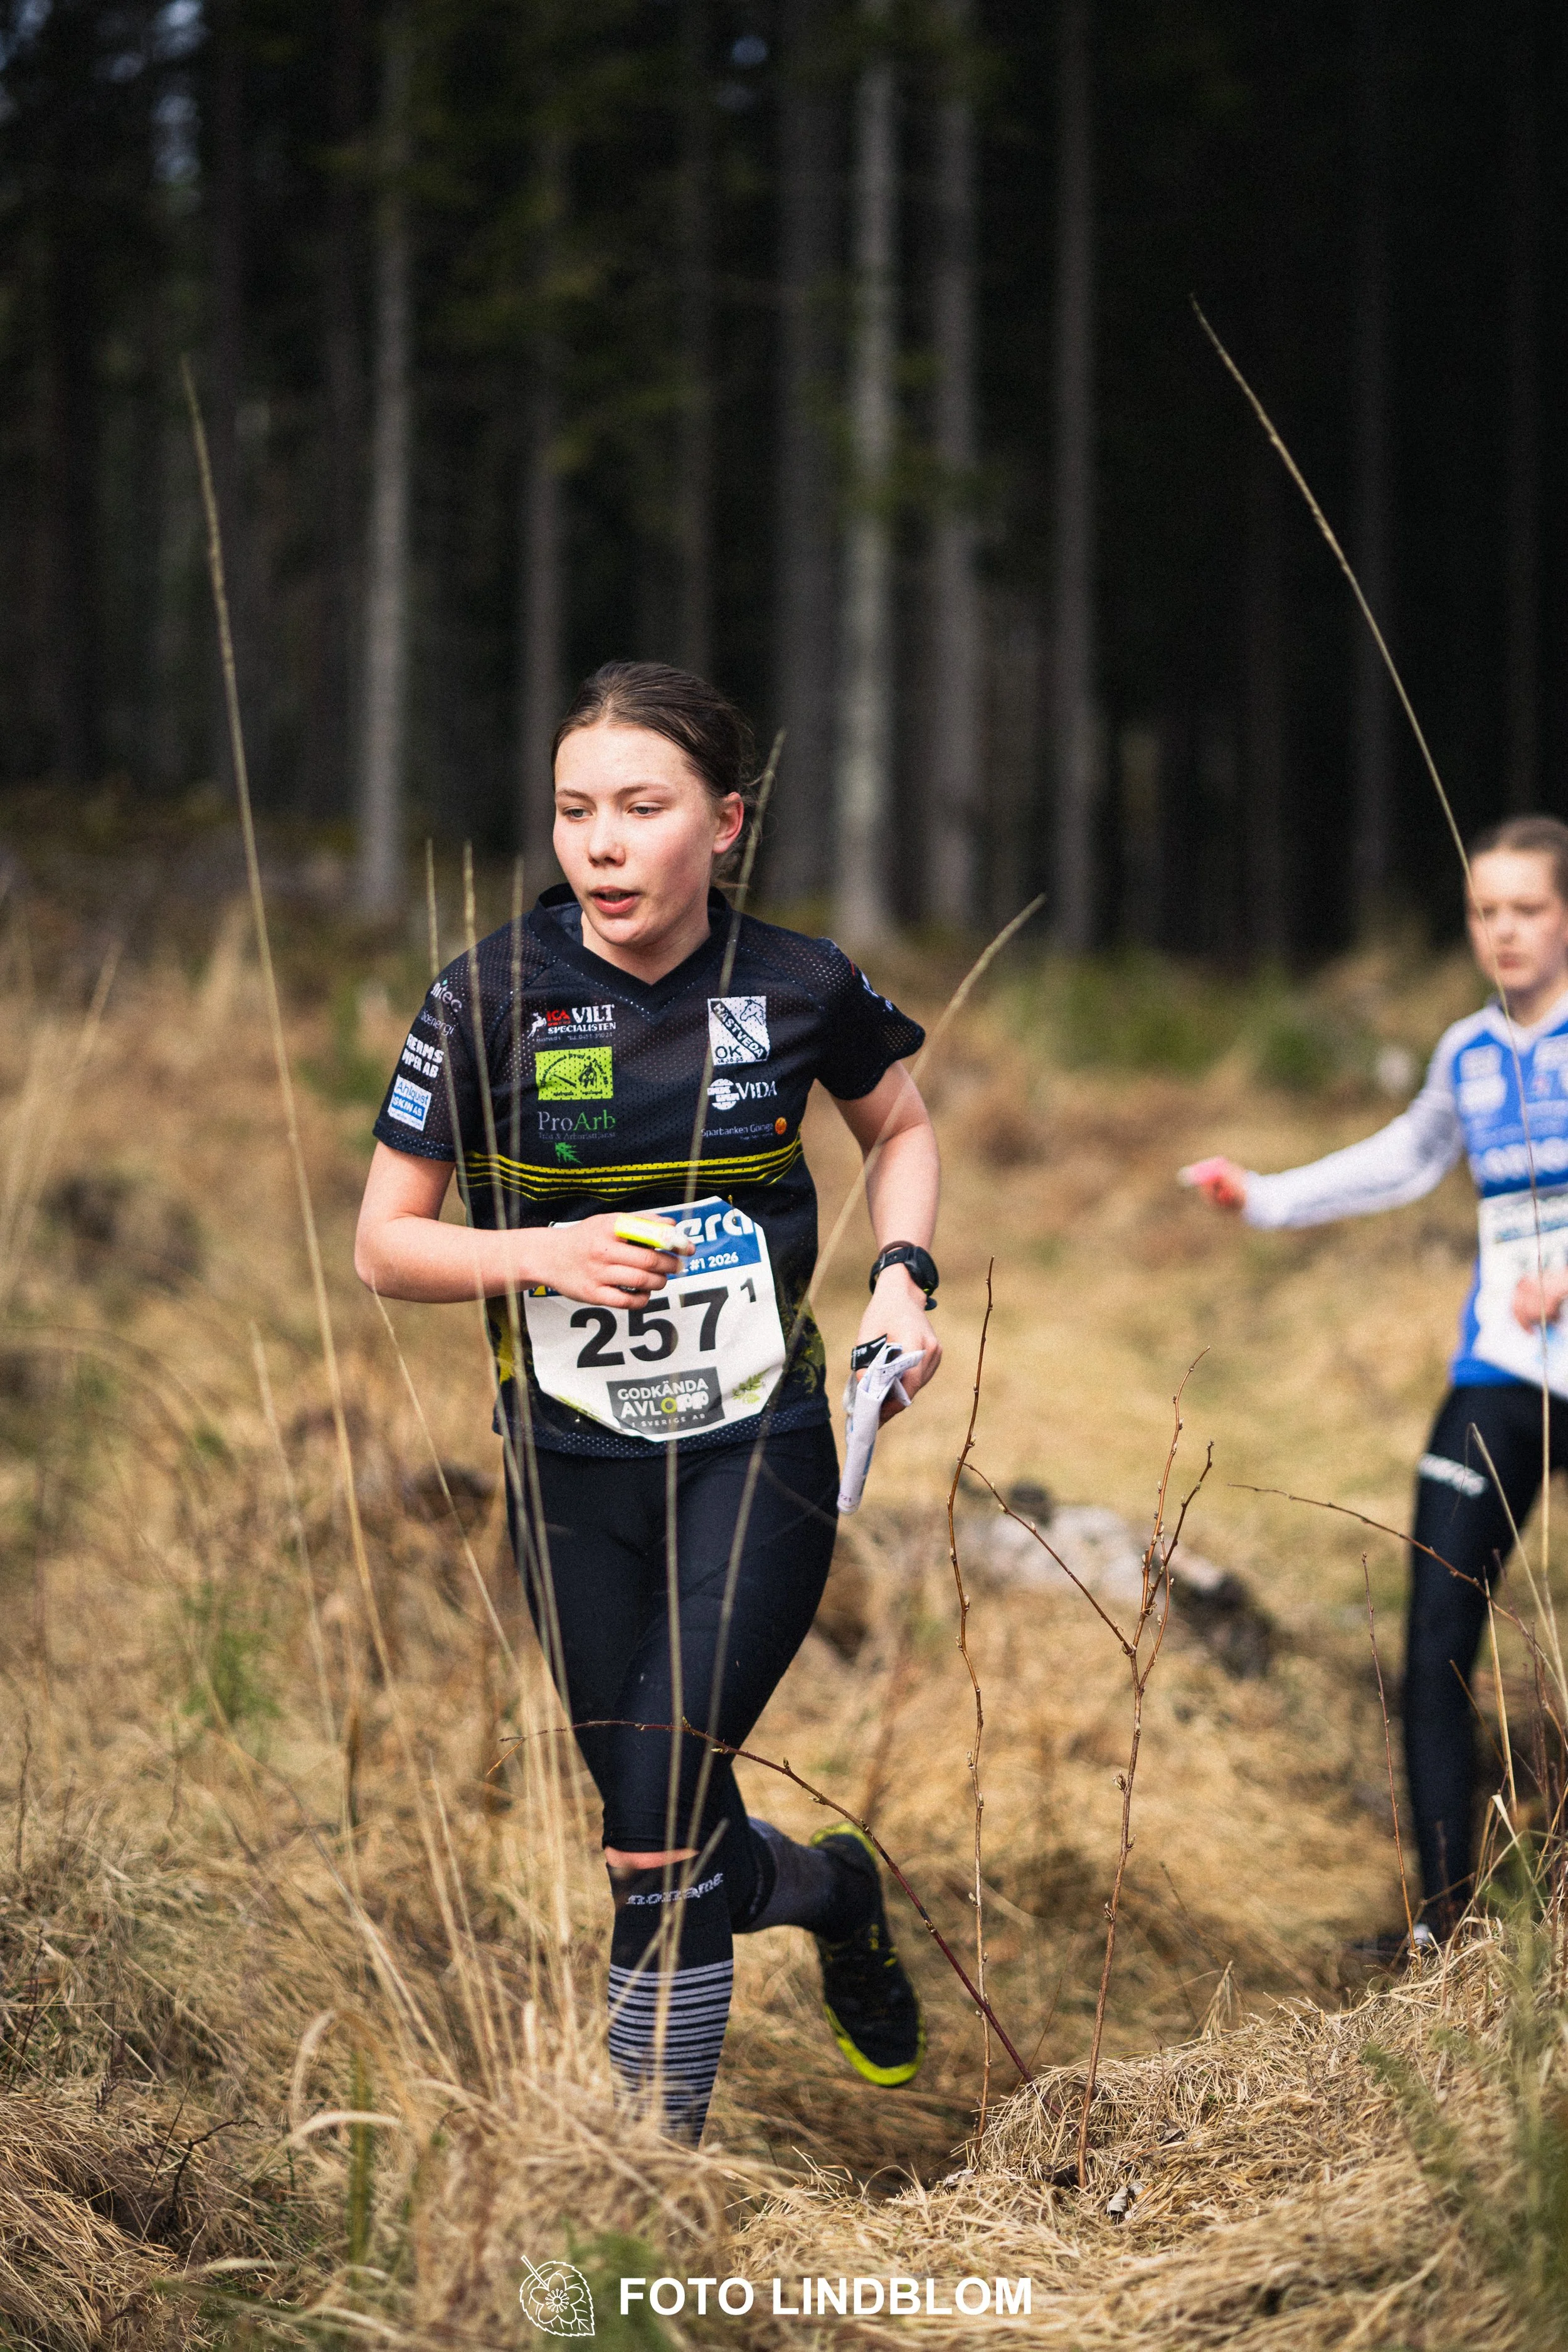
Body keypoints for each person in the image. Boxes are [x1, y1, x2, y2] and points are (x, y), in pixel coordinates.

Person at [354, 660, 942, 2139]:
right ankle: (821, 1887)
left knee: (655, 1815)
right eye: (572, 812)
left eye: (640, 808)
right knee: (649, 1832)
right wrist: (539, 1251)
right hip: (566, 1468)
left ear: (723, 823)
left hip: (761, 1448)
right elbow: (383, 1245)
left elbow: (904, 1127)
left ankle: (640, 2185)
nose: (601, 844)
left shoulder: (798, 982)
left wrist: (902, 1279)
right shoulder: (485, 994)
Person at [1182, 815, 1568, 1939]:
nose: (1502, 930)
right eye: (1484, 910)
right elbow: (1403, 1157)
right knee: (1438, 1621)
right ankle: (1446, 1917)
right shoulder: (1468, 1052)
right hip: (1501, 1369)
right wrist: (1264, 1195)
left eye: (1527, 910)